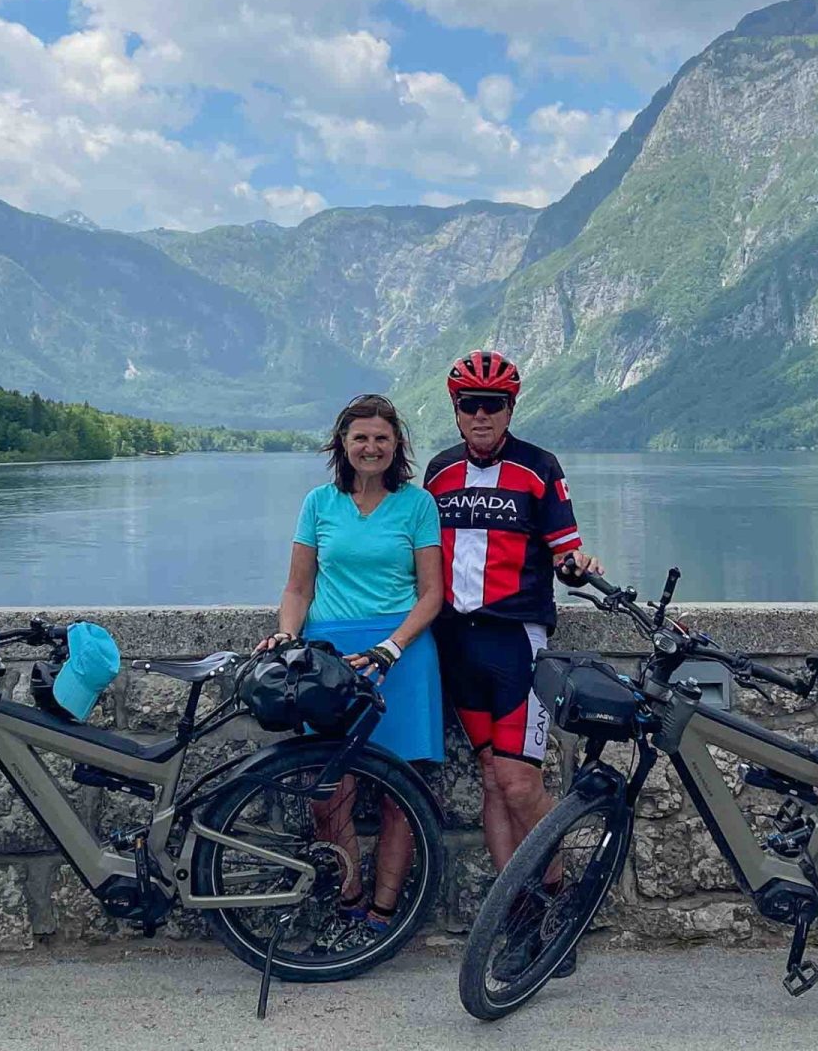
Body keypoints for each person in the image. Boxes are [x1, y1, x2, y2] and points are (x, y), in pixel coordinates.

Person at [424, 349, 602, 974]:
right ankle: (520, 917)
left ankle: (559, 908)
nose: (481, 415)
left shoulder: (539, 468)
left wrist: (577, 568)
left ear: (510, 408)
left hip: (515, 642)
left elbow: (565, 553)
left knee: (522, 784)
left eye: (493, 404)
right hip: (456, 643)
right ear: (456, 409)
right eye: (470, 404)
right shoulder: (439, 473)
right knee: (491, 782)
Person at [255, 393, 444, 952]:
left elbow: (432, 593)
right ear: (343, 443)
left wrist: (392, 646)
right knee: (328, 792)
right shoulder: (318, 503)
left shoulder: (418, 505)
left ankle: (382, 916)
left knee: (400, 795)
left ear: (396, 445)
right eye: (360, 437)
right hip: (329, 660)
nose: (371, 447)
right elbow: (298, 588)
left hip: (401, 656)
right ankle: (349, 901)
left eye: (381, 437)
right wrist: (287, 636)